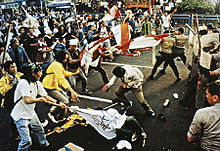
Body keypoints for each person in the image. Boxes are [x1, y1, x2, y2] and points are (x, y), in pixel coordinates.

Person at [10, 63, 57, 151]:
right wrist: (40, 99)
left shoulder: (37, 83)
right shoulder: (23, 83)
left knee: (39, 130)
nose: (41, 74)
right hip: (21, 115)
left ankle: (44, 145)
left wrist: (58, 103)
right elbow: (27, 100)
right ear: (33, 74)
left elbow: (46, 96)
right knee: (27, 141)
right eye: (40, 72)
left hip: (31, 113)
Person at [42, 50, 80, 123]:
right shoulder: (56, 65)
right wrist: (72, 91)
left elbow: (63, 73)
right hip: (49, 87)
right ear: (61, 58)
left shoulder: (58, 64)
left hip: (54, 86)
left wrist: (73, 73)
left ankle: (61, 116)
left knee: (66, 99)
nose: (66, 60)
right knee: (65, 101)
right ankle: (52, 113)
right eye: (65, 58)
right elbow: (61, 78)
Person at [187, 82, 220, 151]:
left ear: (215, 98)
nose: (206, 96)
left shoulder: (202, 113)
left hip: (206, 148)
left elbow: (190, 138)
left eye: (207, 94)